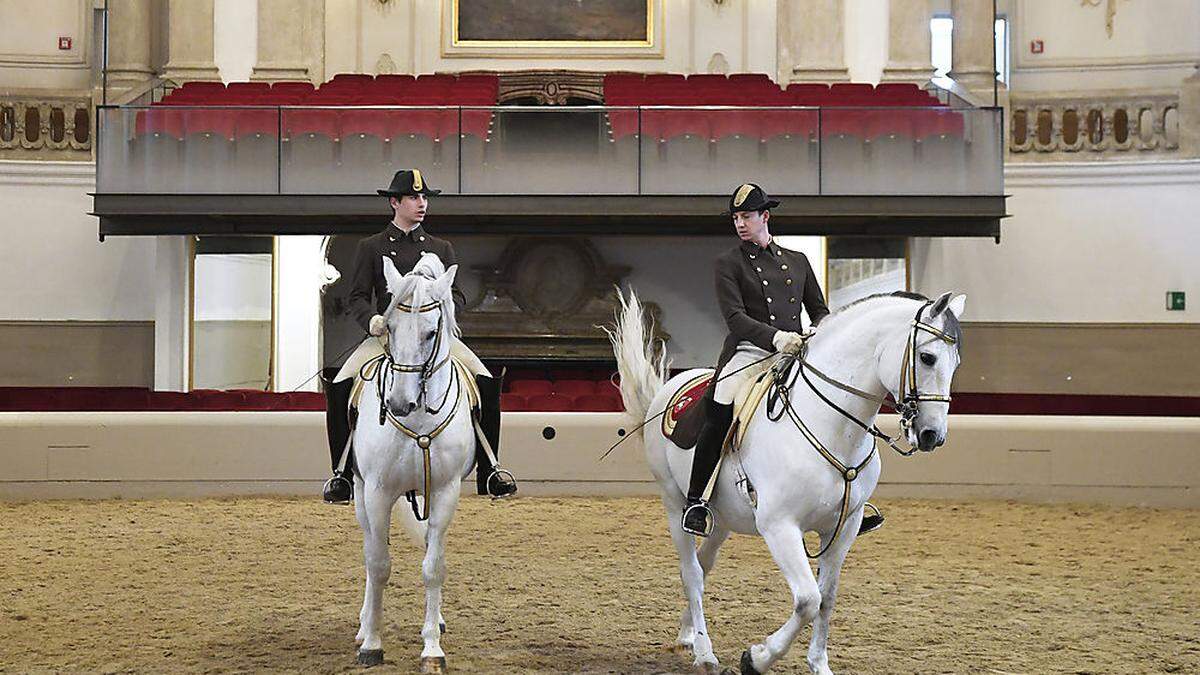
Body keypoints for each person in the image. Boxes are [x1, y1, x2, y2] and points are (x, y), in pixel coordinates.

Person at [321, 169, 518, 504]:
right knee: (340, 384)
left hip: (432, 337)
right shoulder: (372, 247)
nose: (421, 203)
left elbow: (457, 295)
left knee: (485, 379)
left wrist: (443, 312)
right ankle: (341, 474)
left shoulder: (441, 248)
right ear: (394, 202)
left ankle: (490, 468)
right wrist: (372, 321)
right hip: (386, 338)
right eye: (414, 197)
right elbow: (356, 297)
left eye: (424, 197)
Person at [682, 182, 848, 537]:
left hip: (796, 350)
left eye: (746, 216)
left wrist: (817, 333)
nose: (740, 223)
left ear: (765, 216)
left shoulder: (798, 261)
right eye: (736, 218)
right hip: (750, 351)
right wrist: (776, 338)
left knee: (833, 404)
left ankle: (848, 496)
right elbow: (735, 318)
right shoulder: (727, 263)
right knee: (721, 405)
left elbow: (819, 310)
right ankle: (696, 500)